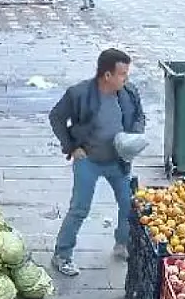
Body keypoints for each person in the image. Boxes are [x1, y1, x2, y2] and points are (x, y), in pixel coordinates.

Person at [49, 49, 147, 276]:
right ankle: (62, 254)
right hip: (89, 161)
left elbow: (140, 116)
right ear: (107, 75)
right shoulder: (79, 93)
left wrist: (133, 136)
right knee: (79, 208)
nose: (126, 78)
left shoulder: (129, 92)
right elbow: (56, 117)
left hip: (118, 161)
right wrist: (72, 147)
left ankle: (122, 244)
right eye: (122, 74)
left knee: (129, 204)